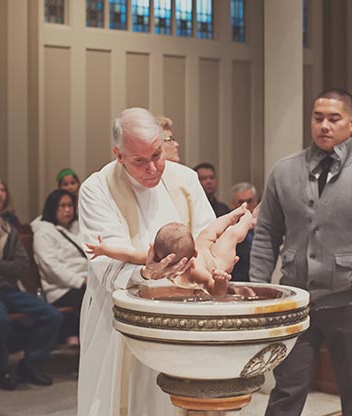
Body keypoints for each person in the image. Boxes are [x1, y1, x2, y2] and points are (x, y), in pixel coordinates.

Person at [250, 88, 352, 416]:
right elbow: (266, 235)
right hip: (295, 301)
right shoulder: (284, 171)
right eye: (318, 117)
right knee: (286, 391)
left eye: (334, 119)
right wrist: (258, 291)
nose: (324, 125)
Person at [77, 107, 215, 416]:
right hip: (119, 318)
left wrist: (203, 265)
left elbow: (208, 235)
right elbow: (107, 267)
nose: (152, 168)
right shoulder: (96, 189)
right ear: (119, 154)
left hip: (184, 315)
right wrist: (147, 272)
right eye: (139, 160)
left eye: (157, 155)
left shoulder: (186, 179)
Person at [0, 186, 63, 390]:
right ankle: (1, 370)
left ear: (2, 204)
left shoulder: (9, 231)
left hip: (9, 291)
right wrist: (6, 270)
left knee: (53, 315)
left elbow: (21, 265)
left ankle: (30, 365)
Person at [86, 203, 252, 295]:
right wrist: (220, 281)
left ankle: (238, 217)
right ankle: (245, 220)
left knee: (212, 232)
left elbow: (129, 255)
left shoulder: (170, 264)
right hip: (212, 259)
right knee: (228, 236)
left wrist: (104, 250)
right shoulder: (192, 270)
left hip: (210, 258)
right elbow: (216, 293)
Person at [31, 189, 87, 347]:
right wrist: (81, 281)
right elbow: (51, 266)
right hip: (60, 288)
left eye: (70, 205)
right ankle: (82, 335)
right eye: (62, 206)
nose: (67, 210)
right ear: (52, 208)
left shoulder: (76, 228)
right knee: (94, 296)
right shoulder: (43, 232)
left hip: (83, 280)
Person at [229, 182, 259, 282]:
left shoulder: (264, 226)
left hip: (260, 280)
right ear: (233, 204)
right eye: (241, 202)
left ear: (256, 202)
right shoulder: (228, 228)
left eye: (250, 201)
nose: (246, 206)